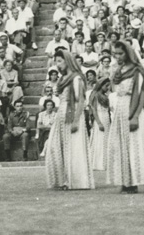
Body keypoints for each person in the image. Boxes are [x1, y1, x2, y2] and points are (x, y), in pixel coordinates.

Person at [45, 49, 94, 190]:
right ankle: (62, 179)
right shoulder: (62, 79)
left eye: (60, 61)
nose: (58, 65)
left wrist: (75, 120)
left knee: (72, 148)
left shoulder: (76, 78)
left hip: (71, 113)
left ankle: (74, 181)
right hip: (61, 113)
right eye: (56, 62)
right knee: (56, 147)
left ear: (67, 61)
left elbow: (80, 101)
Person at [106, 41, 144, 194]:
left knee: (133, 145)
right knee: (121, 145)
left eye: (121, 53)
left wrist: (135, 116)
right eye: (115, 54)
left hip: (132, 107)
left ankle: (133, 182)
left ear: (128, 53)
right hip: (120, 109)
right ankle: (125, 181)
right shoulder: (119, 70)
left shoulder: (137, 70)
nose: (118, 56)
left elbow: (141, 94)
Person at [88, 77, 111, 171]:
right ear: (101, 85)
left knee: (106, 140)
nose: (108, 87)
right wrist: (99, 123)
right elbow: (94, 110)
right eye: (106, 85)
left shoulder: (105, 96)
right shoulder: (95, 95)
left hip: (106, 118)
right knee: (99, 140)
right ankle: (98, 163)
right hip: (100, 118)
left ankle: (105, 162)